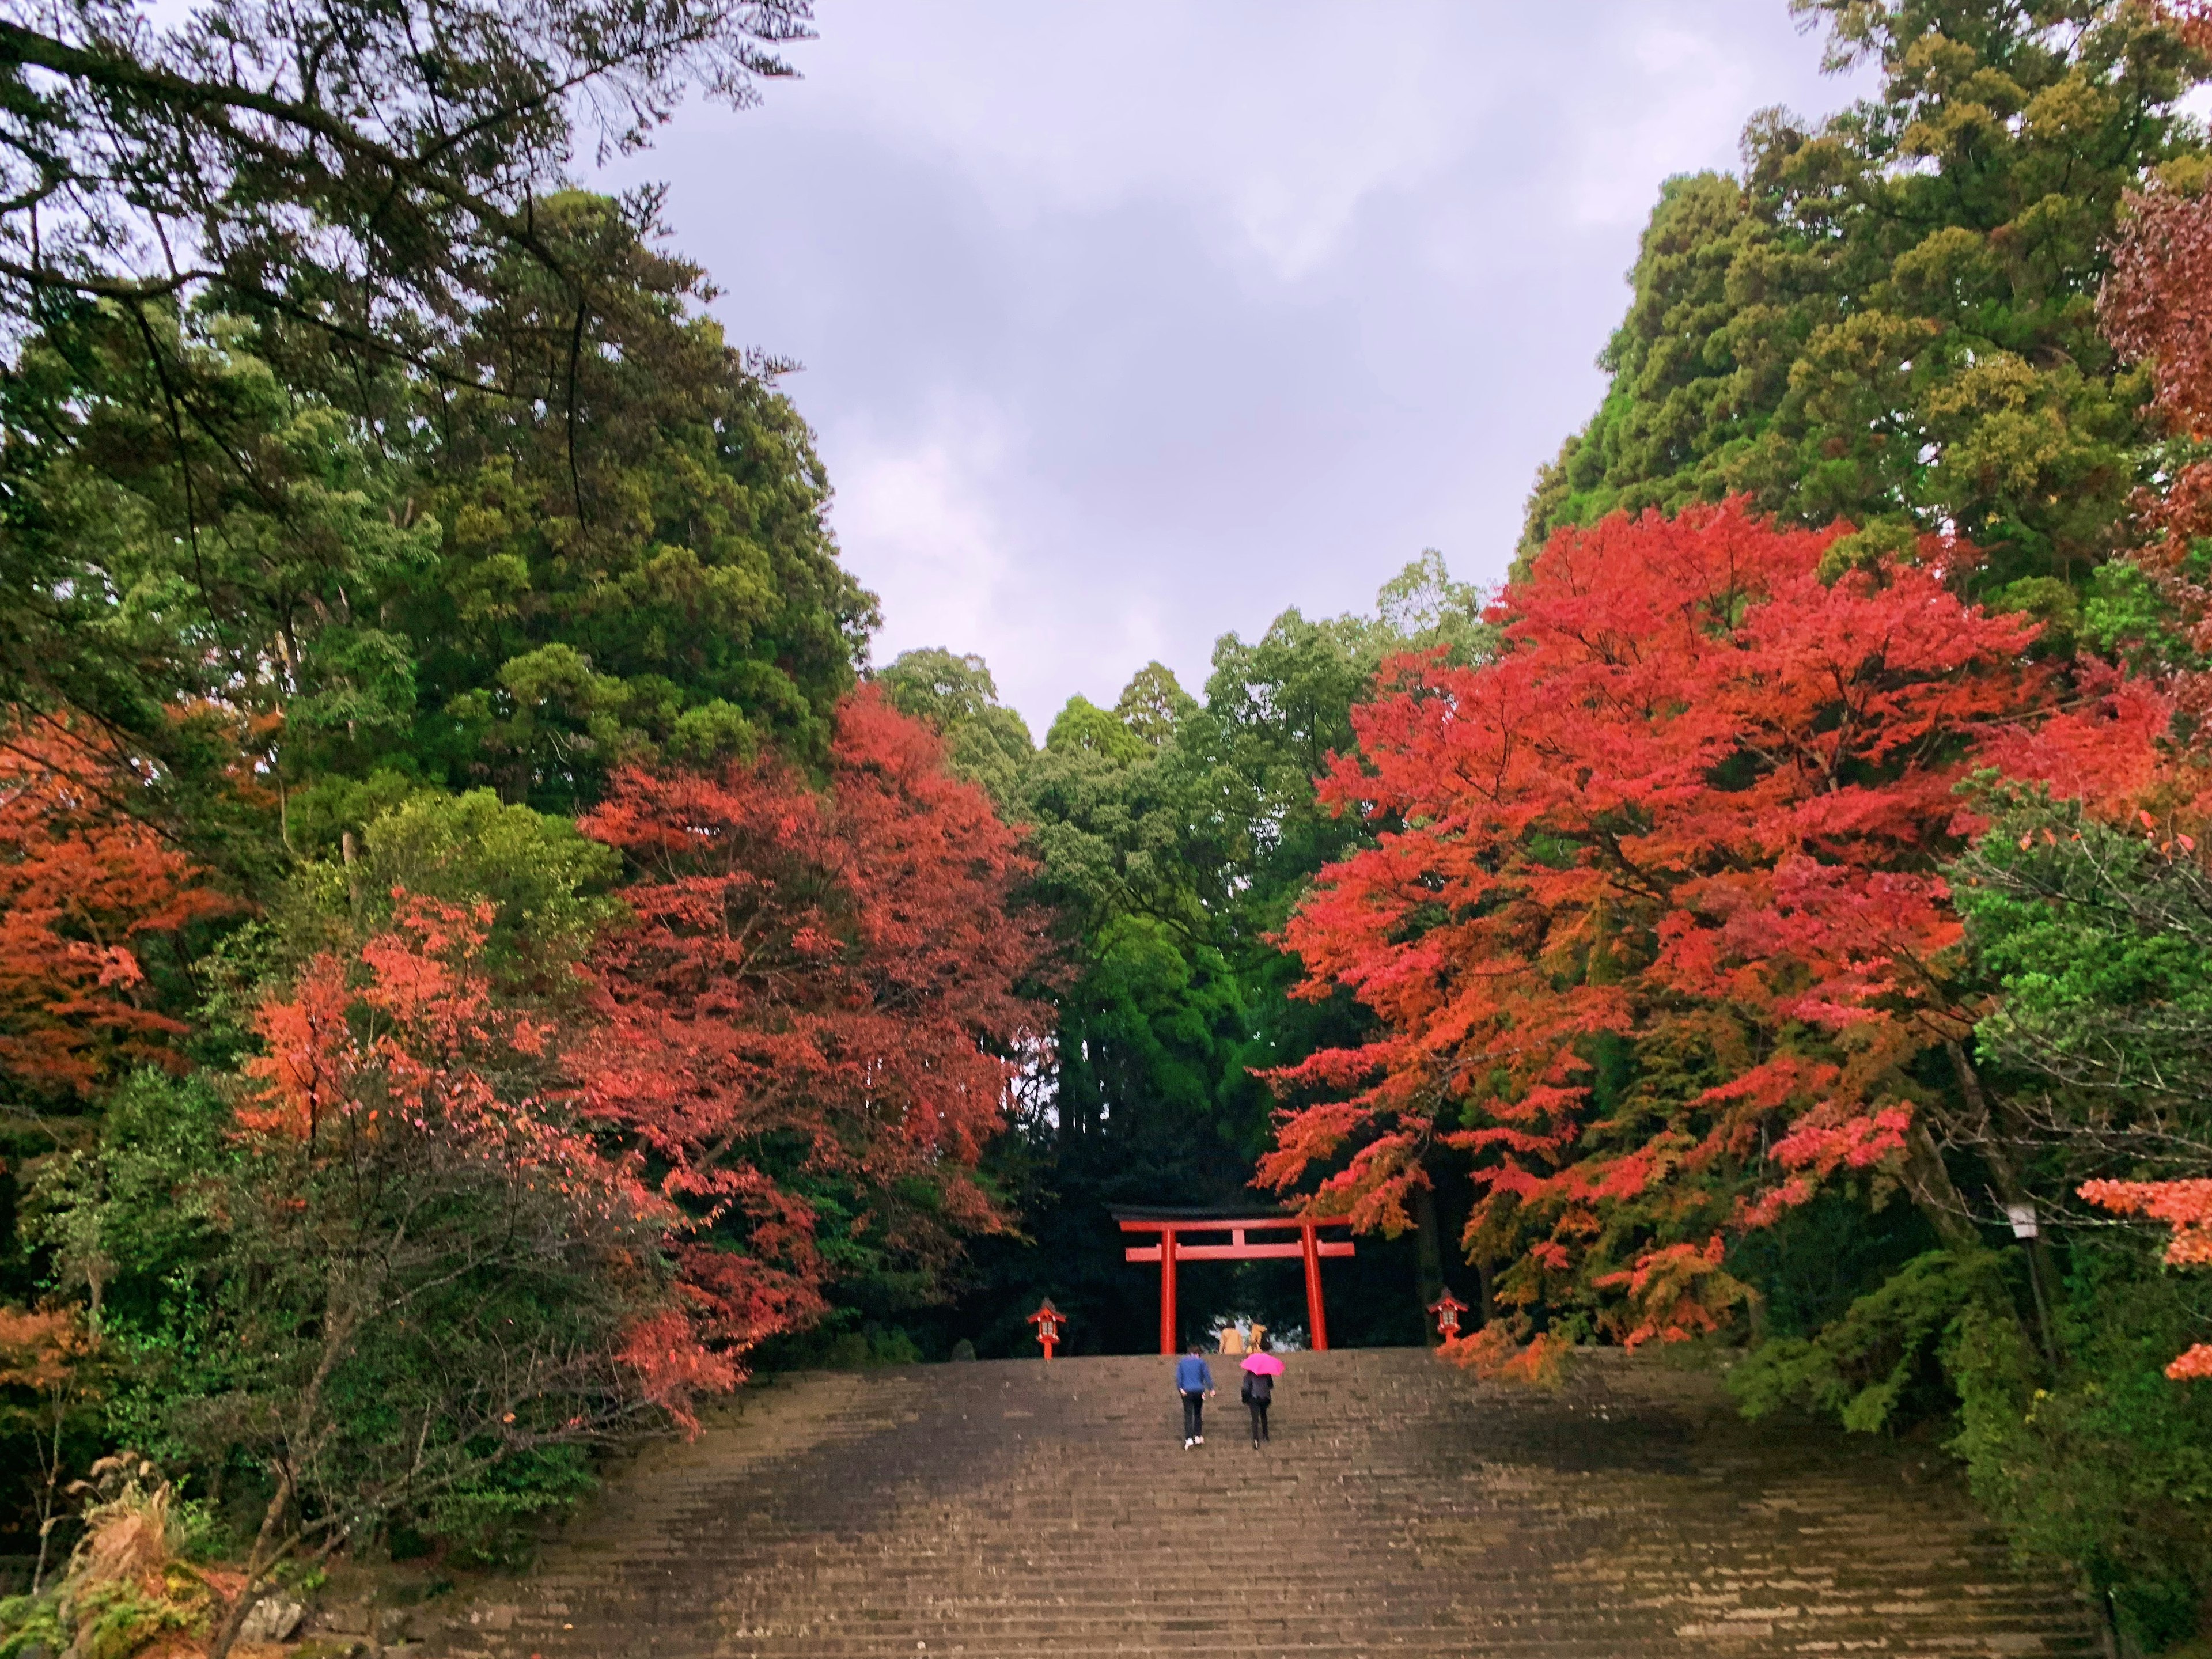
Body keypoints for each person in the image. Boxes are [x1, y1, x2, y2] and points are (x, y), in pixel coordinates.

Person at [1175, 1343, 1214, 1448]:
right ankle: (1197, 1435)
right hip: (1198, 1391)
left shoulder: (1182, 1362)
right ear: (1197, 1354)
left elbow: (1179, 1377)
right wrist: (1211, 1389)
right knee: (1197, 1414)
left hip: (1187, 1391)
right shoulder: (1201, 1362)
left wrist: (1180, 1389)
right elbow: (1206, 1376)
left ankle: (1189, 1438)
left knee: (1188, 1415)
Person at [1241, 1364, 1272, 1448]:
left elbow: (1246, 1387)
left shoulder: (1250, 1373)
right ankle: (1266, 1435)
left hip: (1254, 1397)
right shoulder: (1267, 1373)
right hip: (1265, 1397)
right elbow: (1271, 1386)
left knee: (1255, 1418)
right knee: (1264, 1415)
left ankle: (1256, 1439)